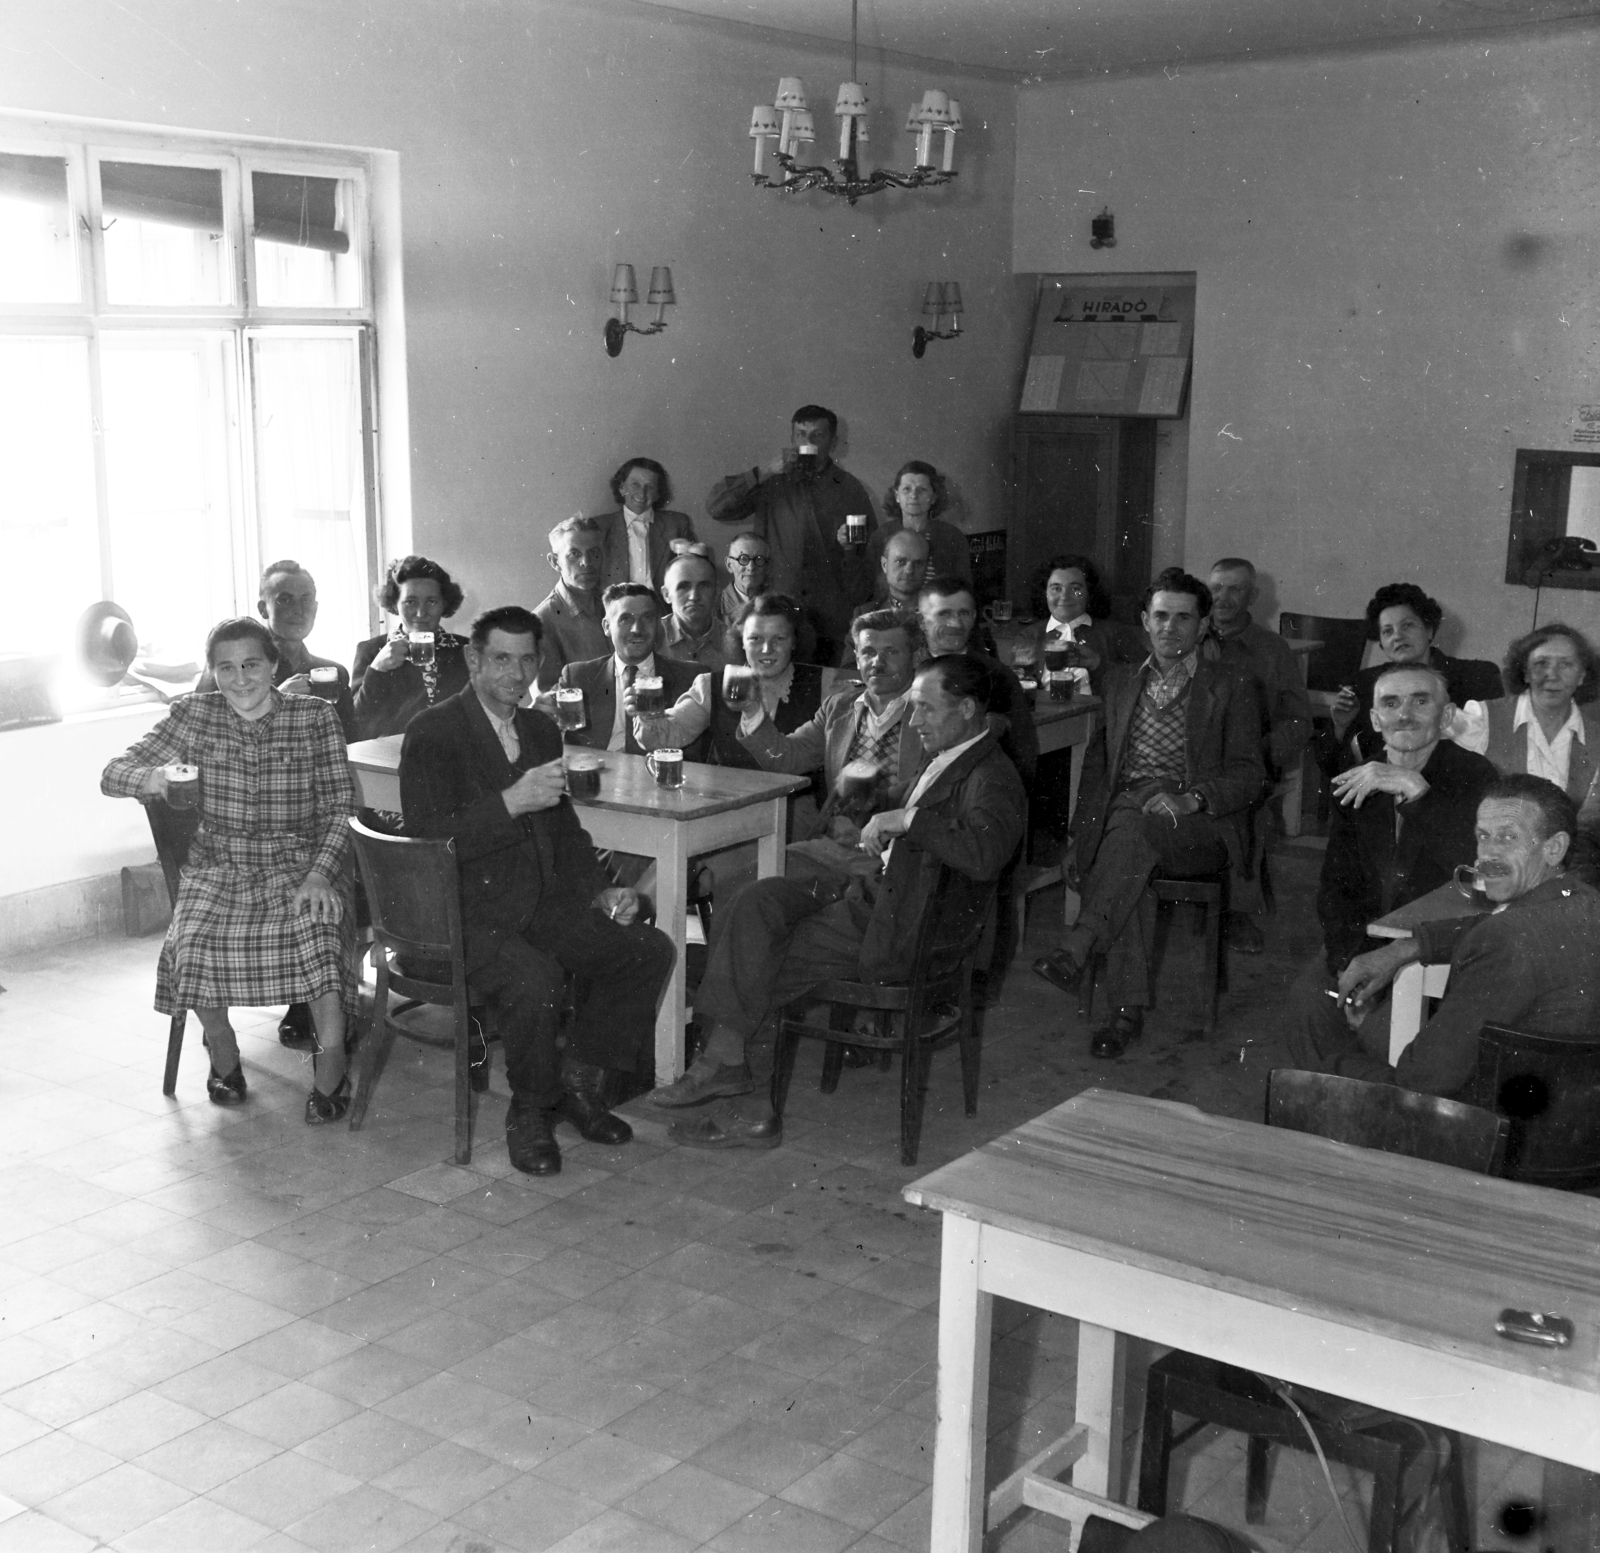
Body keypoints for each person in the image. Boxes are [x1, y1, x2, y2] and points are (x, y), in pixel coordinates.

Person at [652, 655, 1025, 1147]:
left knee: (761, 956)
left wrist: (909, 821)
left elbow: (984, 854)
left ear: (969, 709)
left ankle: (743, 1100)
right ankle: (723, 1062)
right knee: (756, 901)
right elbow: (922, 819)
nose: (914, 721)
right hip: (874, 890)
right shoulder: (956, 756)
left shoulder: (992, 777)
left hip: (902, 924)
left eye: (926, 710)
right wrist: (875, 804)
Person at [399, 606, 674, 1175]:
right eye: (501, 658)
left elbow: (564, 828)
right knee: (536, 977)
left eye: (528, 659)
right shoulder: (434, 732)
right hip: (464, 911)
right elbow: (426, 843)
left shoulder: (540, 728)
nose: (515, 673)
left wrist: (601, 890)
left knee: (645, 949)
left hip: (539, 902)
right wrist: (507, 803)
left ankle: (577, 1085)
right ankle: (529, 1112)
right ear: (473, 660)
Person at [102, 617, 358, 1119]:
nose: (240, 679)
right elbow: (113, 773)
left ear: (273, 665)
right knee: (191, 944)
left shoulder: (314, 717)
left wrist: (319, 875)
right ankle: (223, 1051)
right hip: (217, 865)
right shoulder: (194, 713)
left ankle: (331, 1067)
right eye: (226, 668)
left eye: (251, 664)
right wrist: (154, 778)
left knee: (321, 935)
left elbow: (338, 808)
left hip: (297, 865)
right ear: (212, 672)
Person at [1031, 568, 1266, 1058]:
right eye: (1161, 616)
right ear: (1144, 621)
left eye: (1184, 618)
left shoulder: (1232, 685)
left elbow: (1249, 774)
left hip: (1198, 826)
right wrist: (1080, 838)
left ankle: (1084, 947)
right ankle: (1123, 1014)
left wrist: (1192, 799)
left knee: (1131, 832)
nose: (1170, 627)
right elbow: (1097, 771)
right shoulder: (1118, 682)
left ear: (1203, 627)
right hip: (1130, 819)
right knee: (1131, 839)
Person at [1289, 775, 1600, 1096]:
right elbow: (1489, 928)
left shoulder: (1505, 939)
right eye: (1483, 836)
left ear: (1554, 848)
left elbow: (1423, 1080)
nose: (1488, 855)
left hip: (1491, 1120)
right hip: (1570, 1111)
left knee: (1329, 1068)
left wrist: (1367, 1025)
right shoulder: (1585, 900)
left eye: (1508, 837)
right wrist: (1405, 948)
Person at [1282, 661, 1498, 1063]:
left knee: (1389, 1040)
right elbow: (1336, 887)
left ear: (1446, 716)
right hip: (1368, 937)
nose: (1404, 714)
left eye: (1420, 701)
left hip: (1442, 943)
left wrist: (1417, 792)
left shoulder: (1476, 774)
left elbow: (1478, 870)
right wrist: (1349, 960)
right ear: (1376, 719)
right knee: (1309, 1004)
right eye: (1391, 703)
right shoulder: (1356, 778)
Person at [197, 558, 356, 1049]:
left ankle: (323, 1002)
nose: (296, 608)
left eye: (306, 598)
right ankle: (307, 1001)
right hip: (247, 833)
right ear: (262, 604)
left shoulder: (330, 671)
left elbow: (346, 754)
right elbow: (203, 755)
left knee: (350, 859)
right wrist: (273, 701)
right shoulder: (234, 673)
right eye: (283, 598)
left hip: (313, 823)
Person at [736, 609, 927, 849]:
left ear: (916, 657)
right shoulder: (839, 706)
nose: (878, 663)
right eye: (868, 652)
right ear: (857, 658)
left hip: (899, 853)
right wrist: (753, 710)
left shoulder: (930, 712)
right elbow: (785, 758)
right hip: (836, 848)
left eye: (891, 652)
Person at [1201, 556, 1314, 953]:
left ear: (1254, 596)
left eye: (1235, 589)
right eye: (1216, 588)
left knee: (1242, 804)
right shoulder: (1191, 641)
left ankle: (1237, 913)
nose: (1224, 598)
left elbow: (1299, 721)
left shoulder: (1272, 649)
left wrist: (1260, 754)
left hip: (1246, 764)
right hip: (1191, 760)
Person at [706, 404, 876, 664]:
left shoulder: (849, 489)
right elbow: (716, 507)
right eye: (801, 434)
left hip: (831, 624)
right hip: (777, 617)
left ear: (833, 442)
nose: (807, 442)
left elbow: (867, 553)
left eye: (818, 435)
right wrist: (764, 471)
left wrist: (849, 545)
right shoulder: (773, 482)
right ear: (792, 438)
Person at [1329, 582, 1502, 760]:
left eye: (1407, 626)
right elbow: (1331, 765)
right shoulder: (1362, 684)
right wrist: (1340, 727)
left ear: (1429, 630)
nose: (1397, 636)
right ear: (1381, 643)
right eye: (1387, 631)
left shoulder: (1477, 677)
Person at [557, 584, 711, 760]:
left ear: (658, 625)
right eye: (625, 619)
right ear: (607, 627)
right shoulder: (578, 677)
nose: (637, 629)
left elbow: (696, 756)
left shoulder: (692, 677)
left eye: (647, 618)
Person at [917, 575, 1038, 786]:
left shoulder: (997, 676)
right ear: (921, 622)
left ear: (974, 618)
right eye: (944, 614)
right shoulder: (907, 672)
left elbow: (1024, 759)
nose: (955, 623)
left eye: (963, 613)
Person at [350, 555, 470, 739]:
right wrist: (376, 669)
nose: (421, 613)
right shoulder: (371, 650)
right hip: (391, 760)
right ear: (394, 604)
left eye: (431, 601)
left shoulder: (467, 649)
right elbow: (355, 721)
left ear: (444, 604)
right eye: (410, 602)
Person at [708, 594, 828, 773]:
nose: (767, 649)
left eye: (779, 639)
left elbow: (786, 760)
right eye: (755, 639)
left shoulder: (825, 684)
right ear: (741, 641)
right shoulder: (710, 684)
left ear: (795, 642)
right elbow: (669, 733)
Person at [1025, 553, 1139, 697]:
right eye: (1056, 588)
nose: (1065, 596)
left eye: (1075, 588)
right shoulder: (1029, 636)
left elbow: (1146, 679)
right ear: (1044, 593)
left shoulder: (1115, 633)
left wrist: (1097, 664)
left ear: (1089, 593)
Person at [594, 457, 699, 593]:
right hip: (616, 608)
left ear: (657, 494)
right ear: (621, 488)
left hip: (662, 608)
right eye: (635, 485)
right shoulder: (600, 526)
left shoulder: (676, 524)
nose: (642, 493)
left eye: (650, 487)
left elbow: (694, 571)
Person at [863, 460, 973, 588]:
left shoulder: (952, 537)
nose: (914, 495)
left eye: (922, 490)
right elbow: (868, 588)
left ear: (933, 497)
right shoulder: (881, 536)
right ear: (897, 496)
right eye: (906, 489)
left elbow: (964, 589)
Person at [534, 514, 610, 688]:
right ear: (555, 562)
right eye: (574, 554)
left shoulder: (615, 604)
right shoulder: (541, 622)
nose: (586, 562)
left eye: (594, 553)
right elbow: (548, 699)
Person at [658, 547, 729, 670]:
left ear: (716, 591)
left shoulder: (734, 641)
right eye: (683, 587)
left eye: (704, 586)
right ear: (666, 594)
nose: (694, 596)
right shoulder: (652, 636)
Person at [717, 532, 771, 633]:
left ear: (767, 567)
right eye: (743, 559)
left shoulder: (779, 605)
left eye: (759, 559)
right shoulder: (715, 607)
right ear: (729, 565)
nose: (751, 567)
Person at [876, 528, 932, 612]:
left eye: (918, 563)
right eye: (901, 562)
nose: (909, 570)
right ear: (884, 565)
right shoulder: (867, 613)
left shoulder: (938, 613)